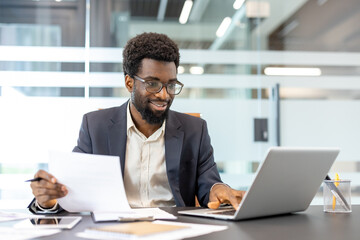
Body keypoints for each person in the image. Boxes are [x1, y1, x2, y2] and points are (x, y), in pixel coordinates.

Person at [28, 32, 245, 214]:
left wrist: (219, 189)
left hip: (175, 230)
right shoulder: (96, 127)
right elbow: (71, 190)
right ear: (129, 82)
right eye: (152, 84)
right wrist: (47, 200)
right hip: (114, 229)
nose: (164, 95)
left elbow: (209, 184)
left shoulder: (194, 130)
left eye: (171, 85)